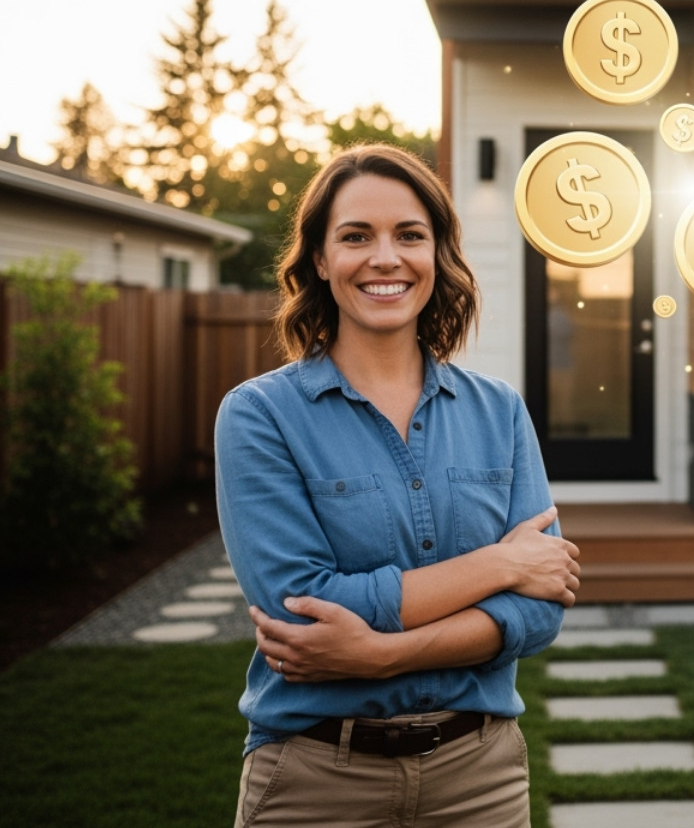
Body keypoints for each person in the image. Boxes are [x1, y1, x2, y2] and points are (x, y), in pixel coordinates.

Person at [215, 144, 580, 828]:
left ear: (437, 255)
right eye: (356, 237)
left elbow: (539, 613)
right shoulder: (260, 415)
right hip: (317, 779)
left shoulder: (497, 409)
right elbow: (303, 612)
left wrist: (380, 654)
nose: (385, 258)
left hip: (482, 779)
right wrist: (499, 564)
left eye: (409, 235)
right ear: (320, 261)